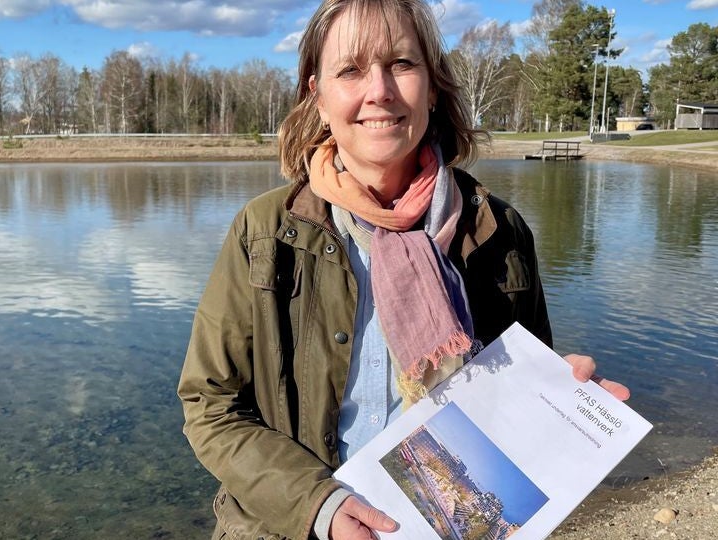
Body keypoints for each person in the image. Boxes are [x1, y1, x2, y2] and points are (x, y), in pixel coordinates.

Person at [178, 1, 630, 539]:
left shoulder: (499, 230)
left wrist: (566, 400)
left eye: (401, 63)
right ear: (317, 95)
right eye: (351, 70)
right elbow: (211, 405)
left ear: (432, 87)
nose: (380, 91)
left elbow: (515, 410)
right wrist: (320, 506)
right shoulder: (264, 231)